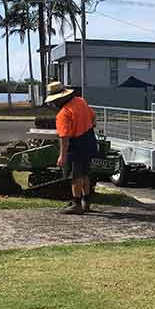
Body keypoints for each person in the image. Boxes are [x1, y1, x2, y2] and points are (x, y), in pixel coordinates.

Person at [44, 82, 97, 214]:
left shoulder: (63, 113)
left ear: (59, 99)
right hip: (89, 140)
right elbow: (93, 117)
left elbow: (64, 137)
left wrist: (62, 155)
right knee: (85, 174)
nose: (54, 104)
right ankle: (86, 201)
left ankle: (76, 203)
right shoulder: (81, 101)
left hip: (76, 144)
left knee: (75, 175)